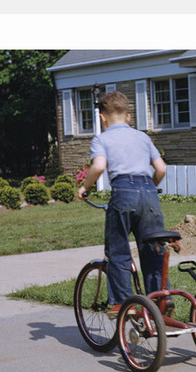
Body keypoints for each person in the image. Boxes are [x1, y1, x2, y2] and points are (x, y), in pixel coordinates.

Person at [77, 91, 168, 309]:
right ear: (129, 117)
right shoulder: (142, 137)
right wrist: (147, 190)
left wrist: (84, 188)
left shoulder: (101, 138)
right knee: (154, 249)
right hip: (149, 192)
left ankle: (122, 305)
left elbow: (98, 166)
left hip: (123, 192)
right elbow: (161, 169)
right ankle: (162, 300)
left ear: (102, 118)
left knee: (118, 251)